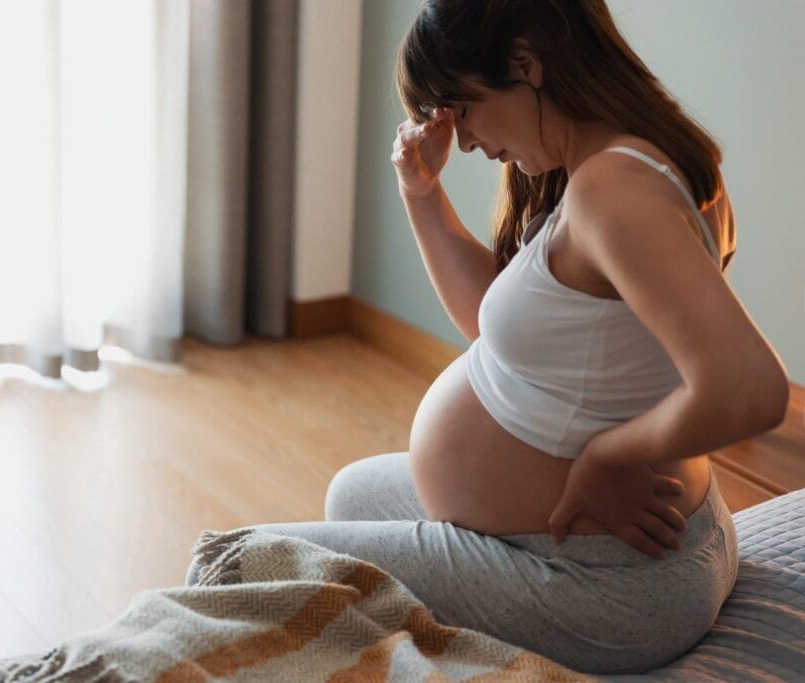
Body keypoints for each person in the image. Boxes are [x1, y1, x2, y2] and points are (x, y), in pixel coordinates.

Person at [186, 0, 791, 674]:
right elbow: (496, 328)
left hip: (615, 579)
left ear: (525, 65)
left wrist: (608, 460)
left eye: (462, 109)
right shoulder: (604, 167)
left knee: (245, 567)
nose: (464, 140)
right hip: (623, 546)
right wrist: (421, 193)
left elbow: (750, 389)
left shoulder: (616, 191)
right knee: (354, 493)